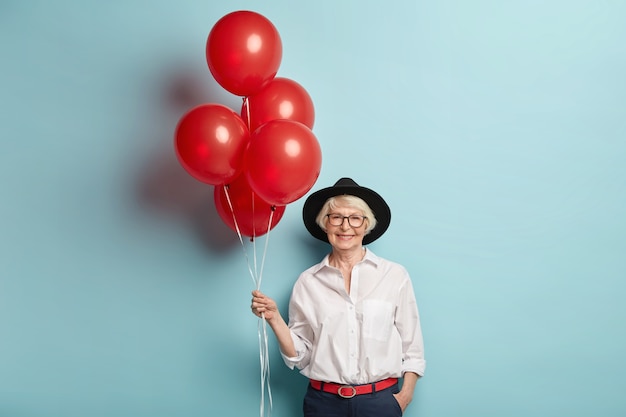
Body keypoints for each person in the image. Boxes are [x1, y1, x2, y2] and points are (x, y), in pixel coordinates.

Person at [251, 177, 426, 417]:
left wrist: (404, 397)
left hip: (380, 403)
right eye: (336, 218)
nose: (345, 227)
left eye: (355, 218)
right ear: (325, 225)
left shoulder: (394, 276)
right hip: (323, 404)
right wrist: (274, 318)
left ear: (367, 225)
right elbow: (299, 357)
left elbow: (412, 348)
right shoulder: (308, 282)